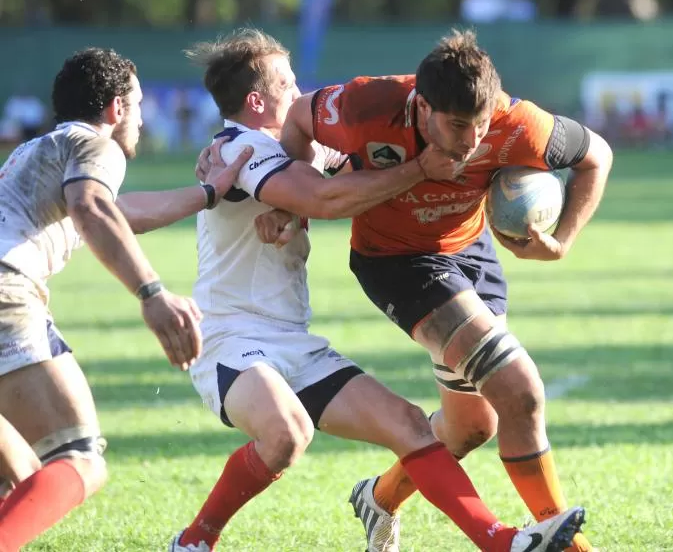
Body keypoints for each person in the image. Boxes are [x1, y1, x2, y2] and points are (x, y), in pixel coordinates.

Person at [173, 29, 585, 552]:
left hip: (292, 340)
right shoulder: (238, 149)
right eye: (287, 81)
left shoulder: (288, 150)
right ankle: (194, 540)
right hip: (232, 339)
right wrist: (419, 169)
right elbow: (325, 198)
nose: (299, 90)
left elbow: (346, 169)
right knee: (287, 434)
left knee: (412, 425)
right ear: (256, 100)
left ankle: (502, 542)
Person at [0, 47, 253, 551]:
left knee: (24, 478)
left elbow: (119, 211)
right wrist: (151, 293)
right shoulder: (97, 146)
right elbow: (93, 207)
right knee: (80, 459)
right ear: (117, 108)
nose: (138, 120)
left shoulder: (40, 149)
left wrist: (206, 193)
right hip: (7, 294)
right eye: (136, 106)